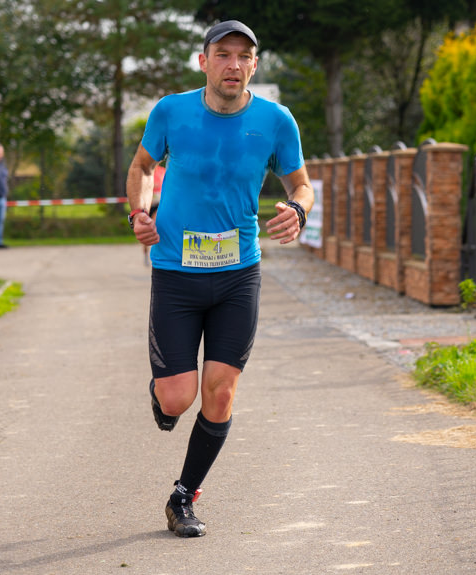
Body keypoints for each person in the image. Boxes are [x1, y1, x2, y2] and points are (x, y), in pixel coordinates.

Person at [126, 19, 314, 538]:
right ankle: (162, 393)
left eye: (244, 56)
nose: (233, 64)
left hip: (238, 274)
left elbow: (301, 183)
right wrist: (139, 213)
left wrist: (298, 211)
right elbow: (143, 166)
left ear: (255, 65)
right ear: (203, 61)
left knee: (222, 392)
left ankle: (182, 496)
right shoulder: (171, 111)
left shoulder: (276, 121)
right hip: (176, 273)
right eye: (223, 54)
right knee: (176, 400)